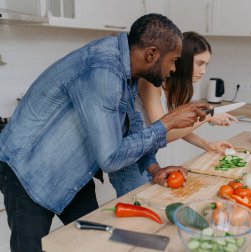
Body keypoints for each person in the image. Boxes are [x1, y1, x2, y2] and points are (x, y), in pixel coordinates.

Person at [0, 14, 211, 252]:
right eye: (172, 61)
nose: (173, 69)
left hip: (72, 172)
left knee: (93, 239)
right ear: (152, 54)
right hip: (27, 172)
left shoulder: (127, 67)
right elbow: (110, 157)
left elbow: (129, 126)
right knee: (31, 248)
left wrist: (154, 168)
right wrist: (167, 123)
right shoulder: (103, 70)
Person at [109, 31, 238, 197]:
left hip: (147, 158)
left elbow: (178, 125)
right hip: (129, 161)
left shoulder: (174, 87)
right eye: (199, 63)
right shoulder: (151, 84)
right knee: (135, 210)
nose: (204, 70)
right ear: (183, 61)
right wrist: (207, 116)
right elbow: (164, 132)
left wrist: (207, 144)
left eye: (206, 64)